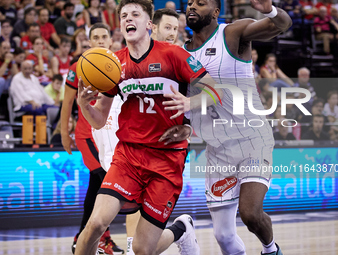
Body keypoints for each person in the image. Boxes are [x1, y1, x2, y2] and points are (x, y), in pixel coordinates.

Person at [74, 1, 220, 254]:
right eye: (123, 16)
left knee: (142, 249)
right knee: (95, 223)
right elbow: (99, 120)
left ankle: (180, 230)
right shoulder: (114, 64)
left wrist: (189, 102)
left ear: (149, 24)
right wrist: (84, 105)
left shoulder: (173, 55)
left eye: (135, 14)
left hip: (167, 158)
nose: (128, 19)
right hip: (128, 155)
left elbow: (217, 91)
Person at [167, 0, 292, 254]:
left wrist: (269, 10)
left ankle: (270, 250)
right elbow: (188, 103)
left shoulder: (232, 34)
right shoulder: (181, 54)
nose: (192, 6)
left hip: (252, 138)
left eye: (200, 3)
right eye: (189, 3)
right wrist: (188, 128)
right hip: (217, 149)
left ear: (215, 12)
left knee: (250, 213)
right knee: (223, 235)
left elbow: (282, 25)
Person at [61, 23, 124, 255]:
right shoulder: (78, 66)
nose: (99, 40)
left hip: (110, 134)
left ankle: (89, 237)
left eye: (103, 36)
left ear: (110, 40)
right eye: (94, 37)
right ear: (88, 42)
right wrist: (63, 133)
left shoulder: (118, 64)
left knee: (98, 184)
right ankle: (94, 237)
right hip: (86, 133)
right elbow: (67, 102)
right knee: (103, 179)